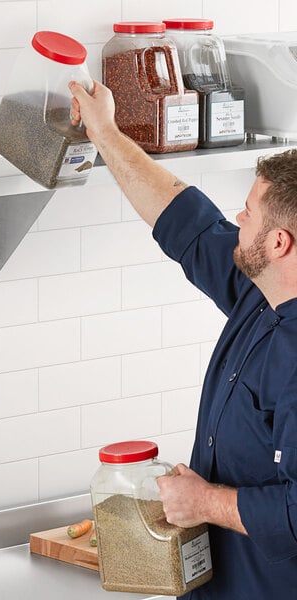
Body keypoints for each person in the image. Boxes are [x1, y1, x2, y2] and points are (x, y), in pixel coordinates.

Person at [69, 79, 297, 599]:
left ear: (279, 242)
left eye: (249, 212)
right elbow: (185, 221)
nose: (237, 220)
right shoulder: (260, 293)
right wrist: (105, 130)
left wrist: (204, 504)